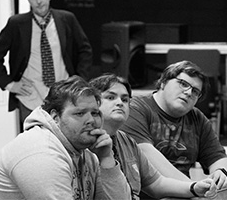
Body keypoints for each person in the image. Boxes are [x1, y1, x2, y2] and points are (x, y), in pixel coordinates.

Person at [0, 76, 130, 200]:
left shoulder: (87, 154)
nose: (91, 120)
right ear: (55, 117)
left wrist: (107, 159)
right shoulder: (40, 152)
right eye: (79, 113)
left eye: (94, 113)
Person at [89, 73, 218, 200]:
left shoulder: (127, 141)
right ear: (93, 104)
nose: (120, 103)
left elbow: (157, 183)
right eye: (111, 97)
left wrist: (194, 188)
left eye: (125, 99)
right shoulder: (84, 144)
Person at [0, 0, 93, 132]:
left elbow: (85, 50)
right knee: (33, 145)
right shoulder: (17, 23)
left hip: (64, 96)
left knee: (66, 142)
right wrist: (9, 84)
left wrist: (79, 80)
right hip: (30, 97)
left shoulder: (66, 19)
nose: (38, 1)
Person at [121, 60, 227, 191]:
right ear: (163, 82)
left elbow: (219, 158)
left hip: (183, 194)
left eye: (195, 91)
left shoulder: (197, 118)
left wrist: (221, 173)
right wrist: (192, 188)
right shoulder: (135, 109)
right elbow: (148, 157)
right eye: (183, 84)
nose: (188, 92)